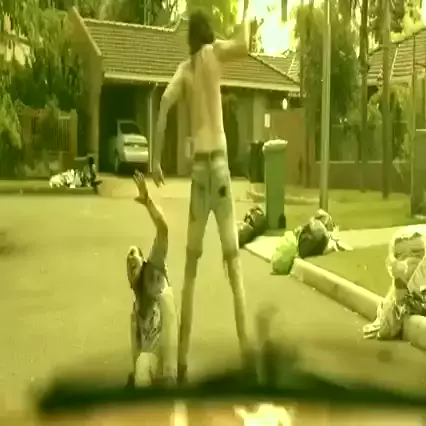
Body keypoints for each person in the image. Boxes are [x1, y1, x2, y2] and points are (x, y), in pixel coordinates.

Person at [152, 1, 252, 383]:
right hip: (221, 170)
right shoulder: (216, 54)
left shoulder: (185, 69)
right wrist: (246, 10)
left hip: (198, 174)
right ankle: (247, 357)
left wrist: (156, 159)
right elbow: (245, 43)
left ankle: (181, 363)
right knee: (234, 267)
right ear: (208, 32)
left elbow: (163, 105)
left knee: (190, 271)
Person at [126, 170, 178, 387]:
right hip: (150, 362)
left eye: (134, 254)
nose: (130, 259)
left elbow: (163, 229)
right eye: (127, 262)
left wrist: (148, 201)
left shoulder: (153, 267)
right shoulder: (136, 309)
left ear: (144, 259)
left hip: (168, 352)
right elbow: (137, 349)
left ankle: (170, 375)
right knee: (141, 361)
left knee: (165, 297)